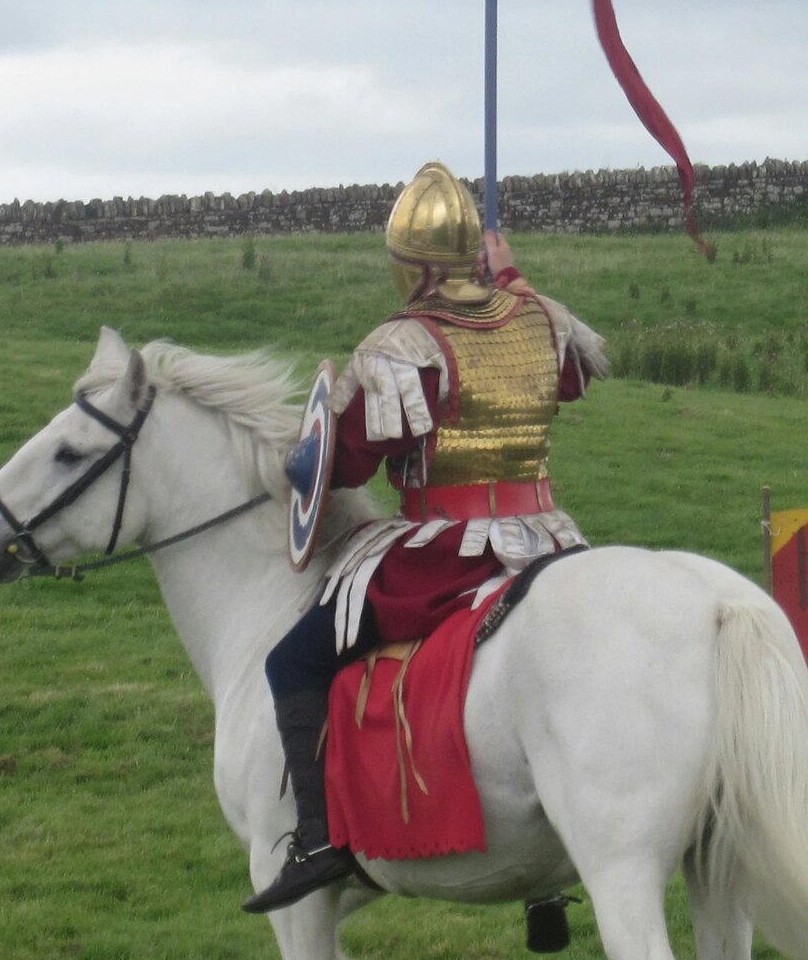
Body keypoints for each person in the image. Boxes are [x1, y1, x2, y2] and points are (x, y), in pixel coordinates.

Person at [243, 161, 608, 914]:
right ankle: (547, 879)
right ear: (477, 253)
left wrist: (300, 458)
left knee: (296, 659)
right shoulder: (538, 316)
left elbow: (345, 460)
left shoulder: (403, 343)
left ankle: (315, 838)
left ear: (409, 268)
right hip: (551, 543)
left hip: (447, 550)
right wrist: (515, 283)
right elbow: (571, 380)